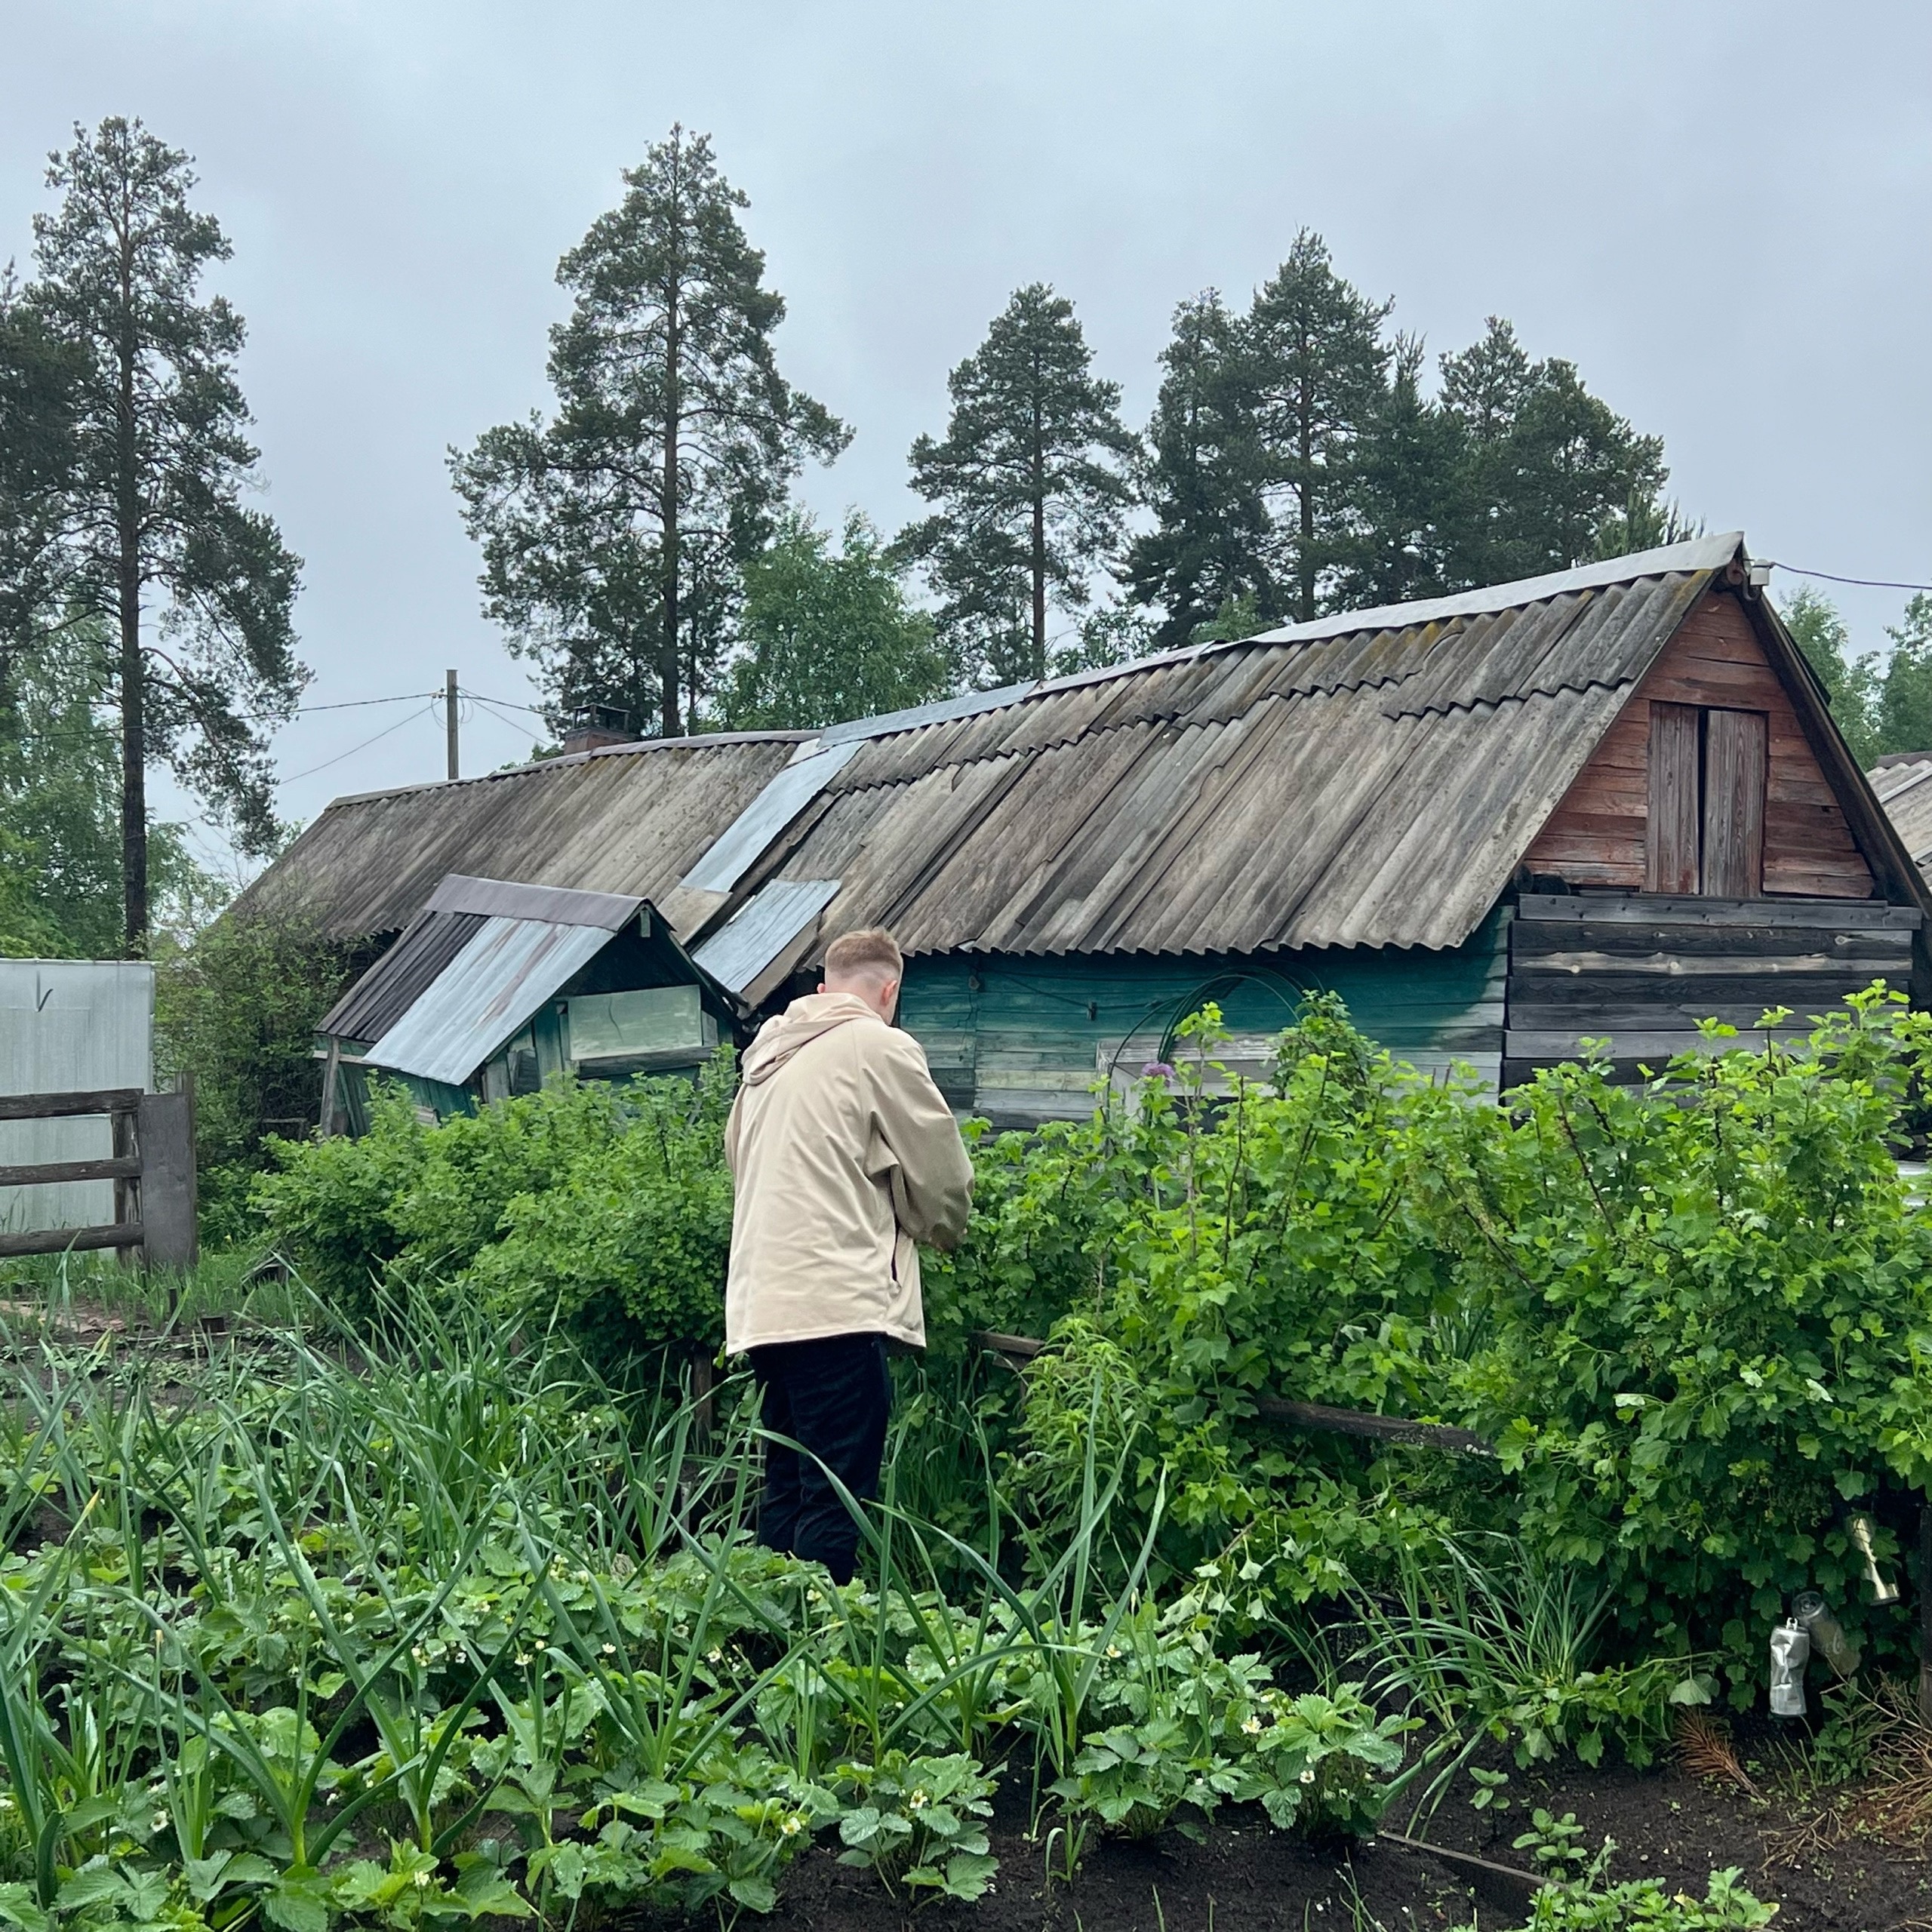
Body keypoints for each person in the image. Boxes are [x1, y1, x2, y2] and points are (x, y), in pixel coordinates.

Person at [723, 927, 974, 1584]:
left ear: (822, 989)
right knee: (837, 1491)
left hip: (762, 1305)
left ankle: (763, 1623)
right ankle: (819, 1636)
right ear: (890, 992)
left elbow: (738, 1163)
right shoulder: (878, 1046)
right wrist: (940, 1230)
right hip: (835, 1301)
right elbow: (940, 1171)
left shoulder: (766, 1063)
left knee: (788, 1479)